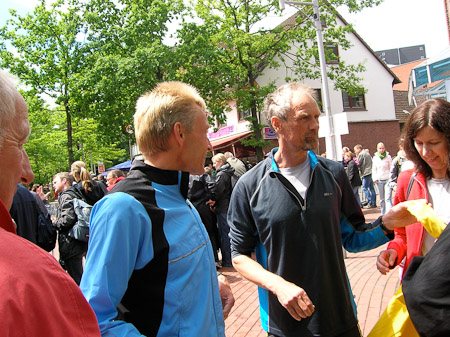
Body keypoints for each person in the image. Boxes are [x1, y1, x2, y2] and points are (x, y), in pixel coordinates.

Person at [228, 82, 419, 337]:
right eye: (304, 118)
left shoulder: (334, 173)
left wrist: (386, 224)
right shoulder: (250, 185)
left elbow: (352, 237)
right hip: (284, 325)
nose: (315, 125)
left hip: (339, 319)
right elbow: (239, 256)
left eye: (317, 117)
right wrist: (278, 285)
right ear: (278, 124)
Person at [80, 81, 234, 336]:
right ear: (179, 133)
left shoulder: (178, 194)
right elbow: (95, 320)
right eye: (205, 132)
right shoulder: (124, 208)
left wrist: (208, 283)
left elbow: (163, 276)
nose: (209, 145)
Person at [0, 69, 101, 336]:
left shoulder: (30, 276)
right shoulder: (30, 278)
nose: (28, 172)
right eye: (19, 143)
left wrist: (59, 224)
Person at [376, 98, 450, 280]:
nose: (425, 152)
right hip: (424, 290)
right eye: (419, 143)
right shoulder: (407, 180)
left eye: (433, 142)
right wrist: (393, 251)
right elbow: (401, 234)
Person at [210, 153, 235, 268]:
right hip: (228, 206)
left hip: (223, 207)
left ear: (220, 162)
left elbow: (217, 192)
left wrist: (212, 200)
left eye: (214, 163)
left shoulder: (222, 174)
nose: (213, 165)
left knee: (224, 234)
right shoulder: (229, 172)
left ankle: (228, 260)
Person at [372, 142, 392, 215]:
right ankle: (383, 214)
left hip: (387, 179)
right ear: (377, 149)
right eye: (380, 148)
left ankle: (390, 213)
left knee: (387, 198)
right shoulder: (375, 158)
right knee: (382, 199)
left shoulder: (388, 157)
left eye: (383, 148)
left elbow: (391, 168)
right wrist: (375, 178)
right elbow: (374, 169)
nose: (381, 150)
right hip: (379, 180)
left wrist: (391, 178)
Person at [354, 144, 377, 208]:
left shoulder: (361, 154)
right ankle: (373, 202)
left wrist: (355, 158)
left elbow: (358, 163)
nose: (355, 151)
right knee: (371, 188)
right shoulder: (367, 153)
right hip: (370, 171)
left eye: (355, 150)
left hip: (365, 172)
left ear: (359, 149)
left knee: (364, 188)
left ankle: (370, 202)